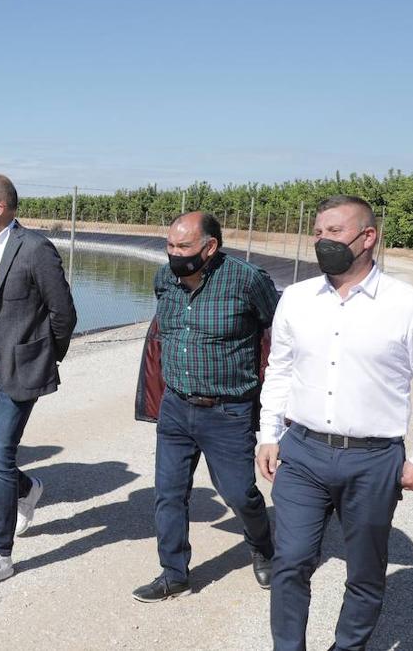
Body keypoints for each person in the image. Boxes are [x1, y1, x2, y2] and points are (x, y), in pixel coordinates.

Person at [257, 195, 413, 651]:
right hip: (303, 450)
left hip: (373, 460)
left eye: (334, 231)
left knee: (365, 571)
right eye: (317, 232)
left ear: (368, 237)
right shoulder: (295, 299)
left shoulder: (410, 307)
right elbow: (280, 369)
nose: (321, 240)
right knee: (291, 561)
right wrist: (268, 433)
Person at [132, 212, 279, 602]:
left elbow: (277, 332)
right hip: (176, 407)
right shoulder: (165, 279)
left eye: (183, 247)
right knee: (168, 492)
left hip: (228, 411)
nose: (174, 254)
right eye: (169, 245)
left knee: (238, 493)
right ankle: (174, 572)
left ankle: (262, 546)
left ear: (209, 247)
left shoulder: (247, 280)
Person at [0, 173, 77, 586]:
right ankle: (28, 489)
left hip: (20, 369)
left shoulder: (34, 249)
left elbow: (64, 314)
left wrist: (42, 358)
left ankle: (0, 553)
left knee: (0, 453)